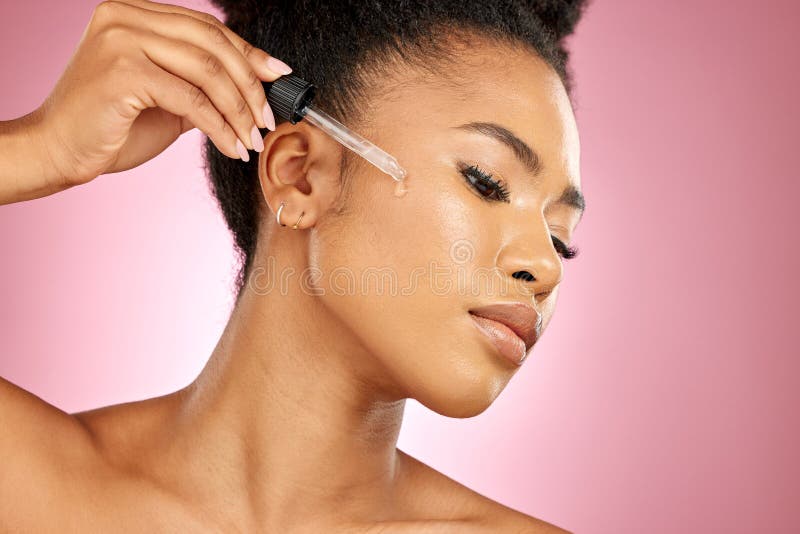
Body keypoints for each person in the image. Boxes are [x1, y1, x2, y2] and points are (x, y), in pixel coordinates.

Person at [0, 0, 588, 531]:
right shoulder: (32, 491)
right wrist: (39, 147)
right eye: (486, 182)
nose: (545, 267)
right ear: (300, 176)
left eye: (560, 239)